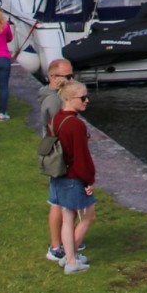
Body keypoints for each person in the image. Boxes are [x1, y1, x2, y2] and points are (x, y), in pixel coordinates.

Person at [46, 79, 96, 274]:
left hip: (59, 175)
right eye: (83, 97)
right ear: (69, 98)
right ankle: (71, 259)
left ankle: (69, 256)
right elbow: (82, 158)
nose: (87, 101)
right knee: (88, 217)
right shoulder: (76, 125)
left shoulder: (56, 118)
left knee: (68, 219)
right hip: (74, 178)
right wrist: (88, 181)